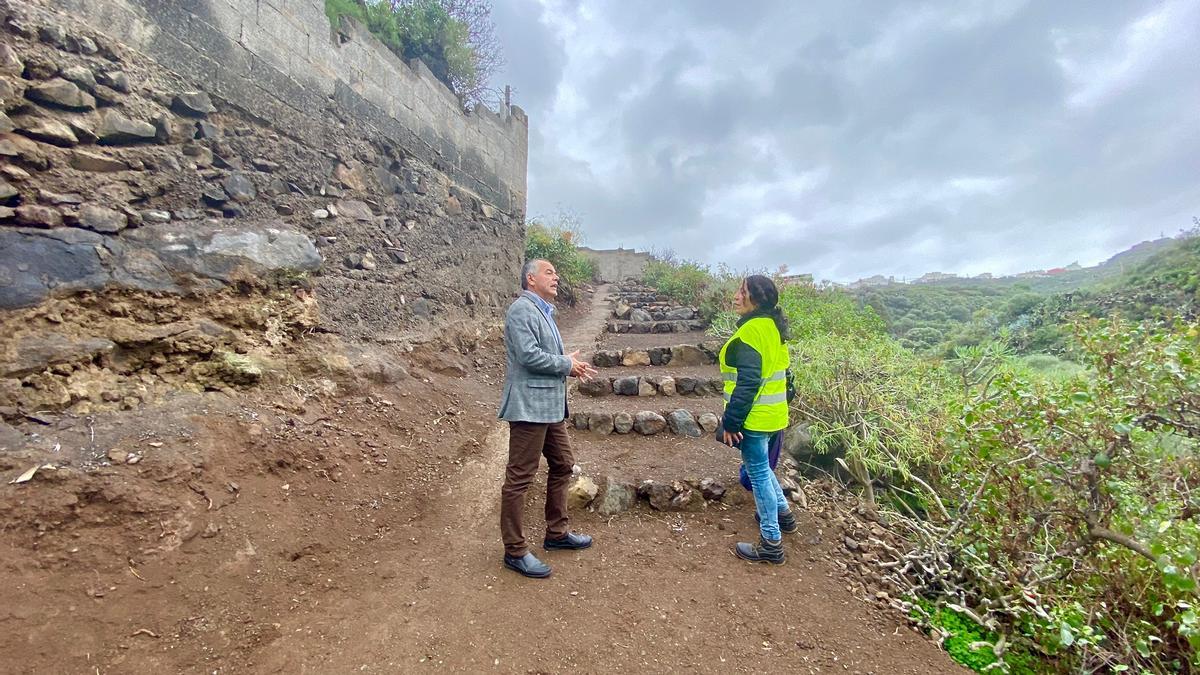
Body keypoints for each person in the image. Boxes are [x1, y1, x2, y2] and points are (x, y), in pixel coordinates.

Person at [498, 259, 598, 578]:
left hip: (550, 407)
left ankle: (556, 533)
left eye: (556, 272)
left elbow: (545, 356)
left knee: (563, 465)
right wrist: (565, 365)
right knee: (520, 478)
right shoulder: (522, 310)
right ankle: (514, 551)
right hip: (529, 407)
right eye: (549, 272)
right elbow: (528, 355)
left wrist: (568, 362)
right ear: (531, 278)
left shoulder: (543, 311)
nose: (556, 277)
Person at [719, 274, 797, 564]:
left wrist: (731, 422)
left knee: (759, 473)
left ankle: (771, 542)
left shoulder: (752, 332)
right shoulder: (773, 329)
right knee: (763, 470)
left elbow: (748, 382)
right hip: (775, 415)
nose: (736, 297)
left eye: (742, 292)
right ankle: (784, 516)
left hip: (755, 418)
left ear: (756, 299)